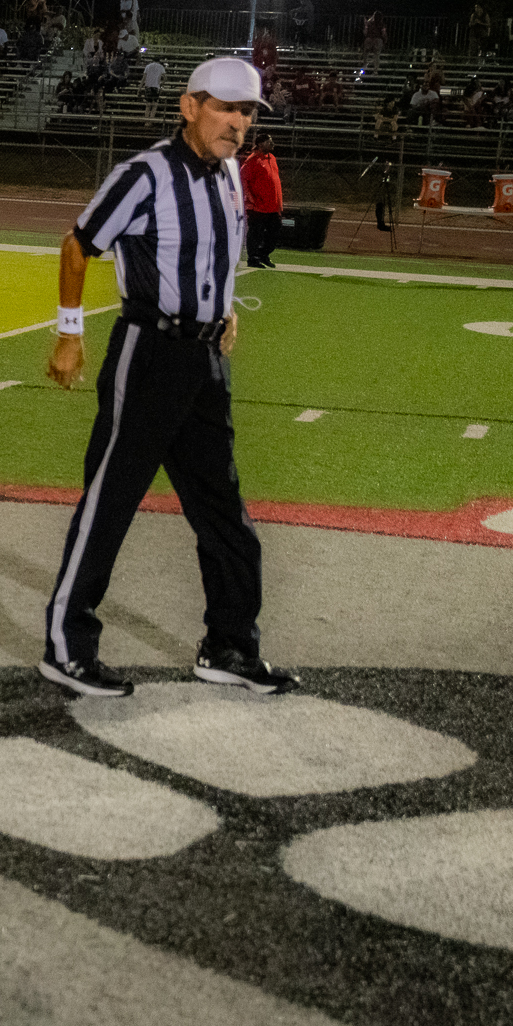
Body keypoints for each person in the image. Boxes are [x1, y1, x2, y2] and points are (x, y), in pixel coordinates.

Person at [37, 55, 298, 700]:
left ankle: (230, 646)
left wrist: (224, 307)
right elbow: (78, 244)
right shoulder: (146, 173)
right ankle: (67, 648)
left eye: (247, 112)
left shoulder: (231, 172)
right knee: (111, 501)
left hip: (205, 360)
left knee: (224, 510)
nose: (237, 123)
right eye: (225, 108)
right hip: (149, 351)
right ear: (189, 106)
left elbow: (215, 254)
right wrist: (69, 333)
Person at [241, 132, 284, 267]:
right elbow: (243, 179)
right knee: (256, 233)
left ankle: (263, 254)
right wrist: (250, 198)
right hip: (258, 206)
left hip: (273, 206)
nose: (271, 144)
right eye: (268, 142)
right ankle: (253, 258)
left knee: (274, 233)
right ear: (260, 144)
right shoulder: (253, 160)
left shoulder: (272, 158)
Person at [141, 54, 166, 120]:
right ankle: (151, 120)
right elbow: (165, 78)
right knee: (154, 105)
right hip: (156, 87)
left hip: (148, 86)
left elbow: (143, 78)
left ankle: (146, 121)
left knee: (148, 105)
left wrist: (140, 88)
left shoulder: (148, 66)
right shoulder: (161, 67)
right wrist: (161, 84)